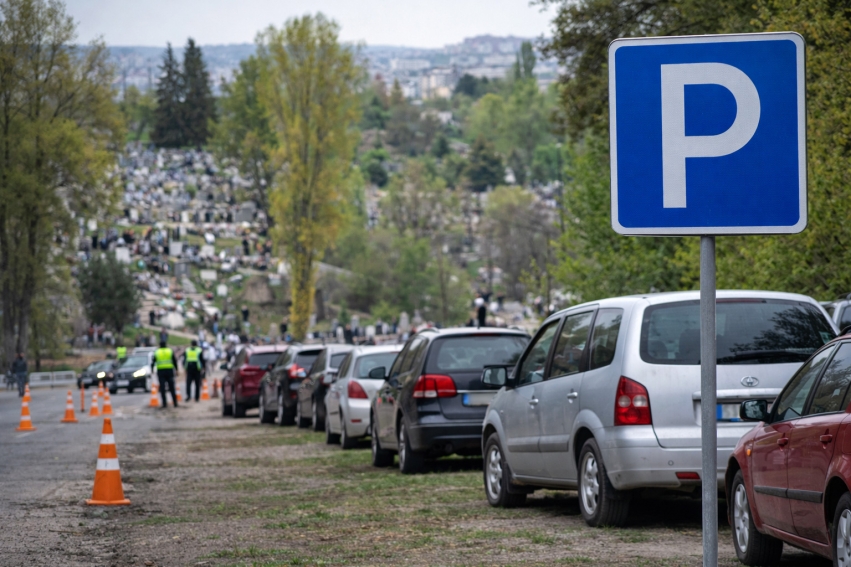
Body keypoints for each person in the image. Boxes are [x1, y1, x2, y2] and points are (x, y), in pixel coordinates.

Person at [152, 341, 179, 408]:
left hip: (161, 372)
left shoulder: (157, 352)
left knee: (162, 388)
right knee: (172, 387)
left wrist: (152, 370)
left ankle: (164, 404)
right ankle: (175, 403)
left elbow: (153, 362)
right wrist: (177, 370)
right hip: (169, 371)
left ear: (159, 345)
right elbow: (174, 361)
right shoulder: (169, 351)